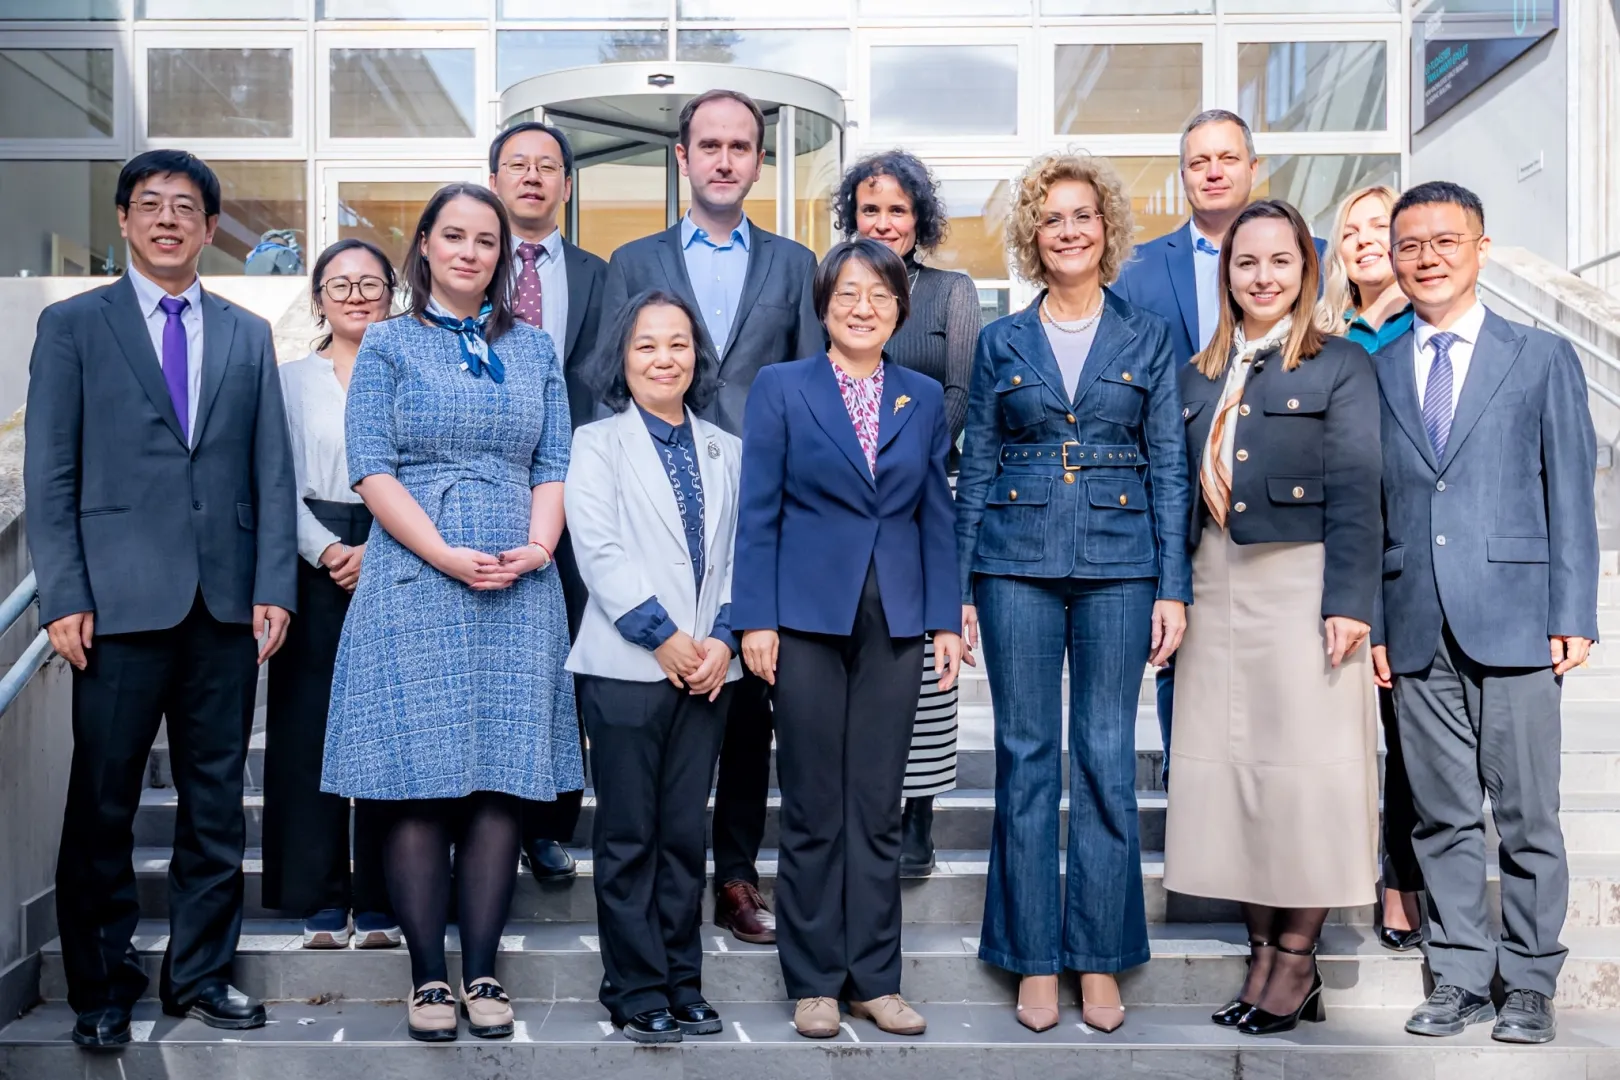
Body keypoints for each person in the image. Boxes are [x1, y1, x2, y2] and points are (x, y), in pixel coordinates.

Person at [25, 149, 297, 1048]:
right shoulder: (73, 328)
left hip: (223, 607)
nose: (170, 220)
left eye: (188, 208)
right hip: (115, 609)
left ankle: (201, 975)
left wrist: (272, 588)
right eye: (152, 205)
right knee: (101, 802)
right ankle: (103, 987)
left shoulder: (248, 334)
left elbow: (271, 468)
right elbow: (49, 473)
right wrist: (62, 593)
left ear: (211, 228)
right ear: (125, 219)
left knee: (215, 802)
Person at [320, 183, 581, 1043]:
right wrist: (440, 552)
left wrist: (540, 551)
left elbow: (553, 463)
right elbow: (372, 467)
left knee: (501, 780)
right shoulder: (388, 344)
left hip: (518, 581)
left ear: (503, 254)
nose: (470, 252)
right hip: (416, 578)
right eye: (454, 236)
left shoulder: (536, 348)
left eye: (486, 240)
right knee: (421, 784)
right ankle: (428, 977)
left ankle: (483, 971)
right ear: (425, 246)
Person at [955, 153, 1189, 1036]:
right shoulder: (1000, 340)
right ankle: (1030, 957)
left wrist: (1174, 585)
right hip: (1012, 561)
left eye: (1082, 215)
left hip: (1122, 564)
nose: (1068, 230)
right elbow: (975, 463)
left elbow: (1169, 463)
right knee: (1024, 756)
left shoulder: (1148, 335)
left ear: (1106, 227)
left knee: (1102, 759)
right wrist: (959, 589)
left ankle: (1099, 955)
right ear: (1032, 234)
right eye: (1051, 218)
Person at [1374, 181, 1598, 1046]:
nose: (1427, 257)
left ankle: (1530, 981)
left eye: (1445, 241)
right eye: (1411, 244)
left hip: (1516, 619)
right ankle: (1461, 974)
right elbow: (1373, 507)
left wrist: (1572, 608)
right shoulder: (1378, 366)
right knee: (1441, 815)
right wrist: (1376, 623)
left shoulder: (1538, 358)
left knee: (1528, 816)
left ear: (1481, 247)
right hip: (1415, 623)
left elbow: (1569, 493)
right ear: (1392, 258)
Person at [602, 87, 821, 946]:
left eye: (741, 146)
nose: (725, 159)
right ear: (684, 157)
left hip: (761, 518)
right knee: (665, 697)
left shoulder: (797, 264)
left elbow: (812, 386)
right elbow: (602, 380)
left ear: (759, 162)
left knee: (746, 706)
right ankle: (659, 868)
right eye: (710, 145)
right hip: (658, 512)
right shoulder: (634, 259)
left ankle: (734, 874)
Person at [733, 238, 963, 1040]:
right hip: (801, 619)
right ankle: (813, 982)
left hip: (897, 621)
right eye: (847, 294)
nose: (862, 307)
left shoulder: (922, 396)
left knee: (877, 807)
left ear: (901, 307)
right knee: (812, 806)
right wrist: (753, 617)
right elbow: (758, 509)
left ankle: (876, 978)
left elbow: (937, 511)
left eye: (879, 295)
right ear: (823, 304)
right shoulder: (782, 387)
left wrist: (944, 619)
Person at [1162, 199, 1381, 1036]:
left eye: (1280, 262)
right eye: (1246, 263)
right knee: (1234, 777)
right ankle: (1260, 951)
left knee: (1306, 778)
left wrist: (1351, 601)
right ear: (1227, 274)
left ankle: (1297, 960)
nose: (1263, 277)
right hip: (1216, 586)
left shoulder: (1339, 365)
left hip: (1305, 588)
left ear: (1305, 270)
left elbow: (1362, 488)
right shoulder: (1197, 371)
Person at [1115, 109, 1326, 781]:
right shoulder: (1138, 268)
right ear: (1182, 177)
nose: (1212, 171)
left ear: (1253, 169)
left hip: (1286, 515)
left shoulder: (1311, 255)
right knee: (1183, 658)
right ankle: (1197, 807)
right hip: (1178, 506)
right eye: (1197, 161)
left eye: (1226, 158)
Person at [565, 290, 742, 1044]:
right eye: (646, 345)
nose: (663, 358)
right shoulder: (595, 444)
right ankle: (634, 985)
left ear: (696, 355)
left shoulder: (728, 449)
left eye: (677, 344)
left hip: (710, 670)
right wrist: (664, 636)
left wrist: (724, 642)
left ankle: (681, 979)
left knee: (682, 837)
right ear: (623, 358)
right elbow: (598, 552)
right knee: (630, 835)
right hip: (627, 666)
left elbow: (740, 557)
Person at [835, 149, 980, 876]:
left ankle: (915, 816)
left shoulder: (951, 292)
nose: (884, 221)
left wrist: (899, 457)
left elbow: (958, 392)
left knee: (926, 661)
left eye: (897, 209)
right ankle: (863, 805)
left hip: (925, 494)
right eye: (871, 208)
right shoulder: (840, 283)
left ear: (918, 218)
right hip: (848, 501)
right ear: (851, 215)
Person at [263, 239, 401, 951]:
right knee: (309, 729)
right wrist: (328, 550)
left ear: (392, 292)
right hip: (314, 557)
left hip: (403, 551)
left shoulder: (415, 372)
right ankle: (318, 892)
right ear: (318, 297)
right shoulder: (288, 381)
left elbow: (425, 470)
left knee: (387, 728)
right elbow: (272, 479)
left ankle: (382, 895)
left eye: (370, 282)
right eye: (339, 284)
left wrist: (381, 545)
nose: (355, 294)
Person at [489, 120, 609, 883]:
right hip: (490, 499)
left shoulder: (603, 274)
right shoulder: (463, 270)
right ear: (495, 179)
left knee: (568, 666)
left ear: (567, 185)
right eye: (517, 165)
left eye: (548, 167)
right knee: (500, 664)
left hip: (585, 497)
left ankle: (550, 822)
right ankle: (488, 814)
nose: (533, 177)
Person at [1314, 183, 1423, 952]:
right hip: (1341, 552)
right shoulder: (1323, 335)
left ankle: (1400, 881)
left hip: (1412, 557)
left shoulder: (1428, 327)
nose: (1364, 239)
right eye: (1349, 229)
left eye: (1378, 226)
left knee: (1409, 738)